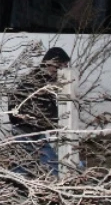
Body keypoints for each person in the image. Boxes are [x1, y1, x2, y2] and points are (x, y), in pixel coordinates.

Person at [8, 47, 71, 176]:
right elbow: (37, 108)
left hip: (28, 130)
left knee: (23, 165)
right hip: (28, 130)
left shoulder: (42, 79)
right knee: (52, 165)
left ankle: (13, 184)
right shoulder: (37, 81)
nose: (63, 69)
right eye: (62, 65)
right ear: (53, 63)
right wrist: (54, 122)